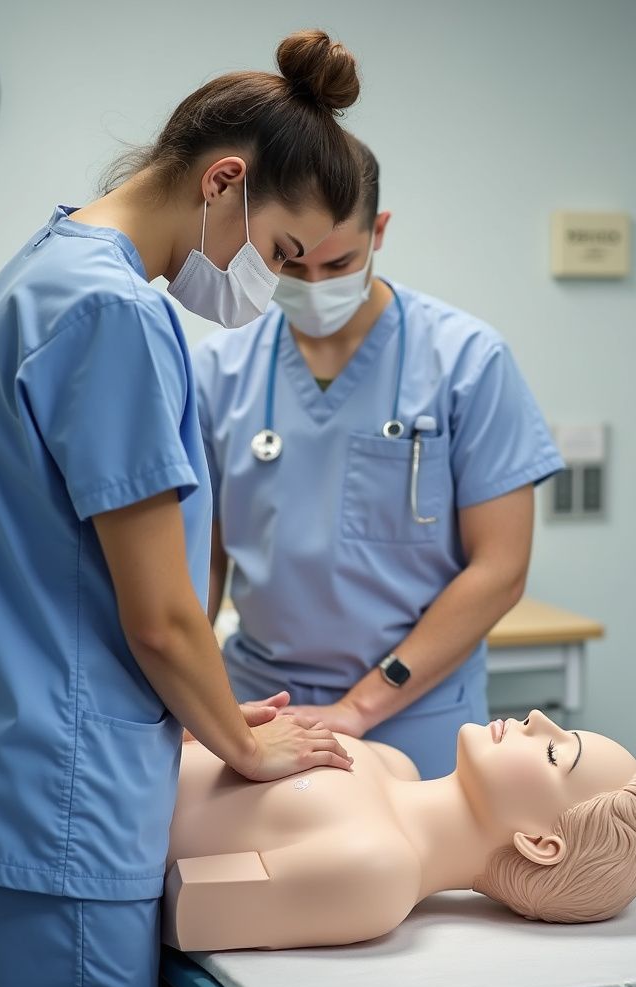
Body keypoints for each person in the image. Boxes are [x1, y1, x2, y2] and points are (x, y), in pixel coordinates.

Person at [0, 30, 365, 987]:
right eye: (278, 253)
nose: (272, 285)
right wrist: (239, 742)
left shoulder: (36, 274)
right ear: (224, 180)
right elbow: (160, 616)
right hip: (61, 806)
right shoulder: (115, 314)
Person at [194, 138, 566, 780]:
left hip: (414, 710)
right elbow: (202, 555)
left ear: (379, 232)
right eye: (291, 264)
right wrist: (199, 701)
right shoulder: (219, 369)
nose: (314, 286)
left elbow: (500, 568)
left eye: (338, 264)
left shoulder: (467, 362)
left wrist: (363, 705)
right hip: (257, 708)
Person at [164, 709, 636, 951]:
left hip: (96, 826)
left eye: (555, 753)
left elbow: (185, 905)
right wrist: (215, 720)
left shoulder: (377, 875)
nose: (538, 719)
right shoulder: (390, 762)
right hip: (105, 752)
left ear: (539, 844)